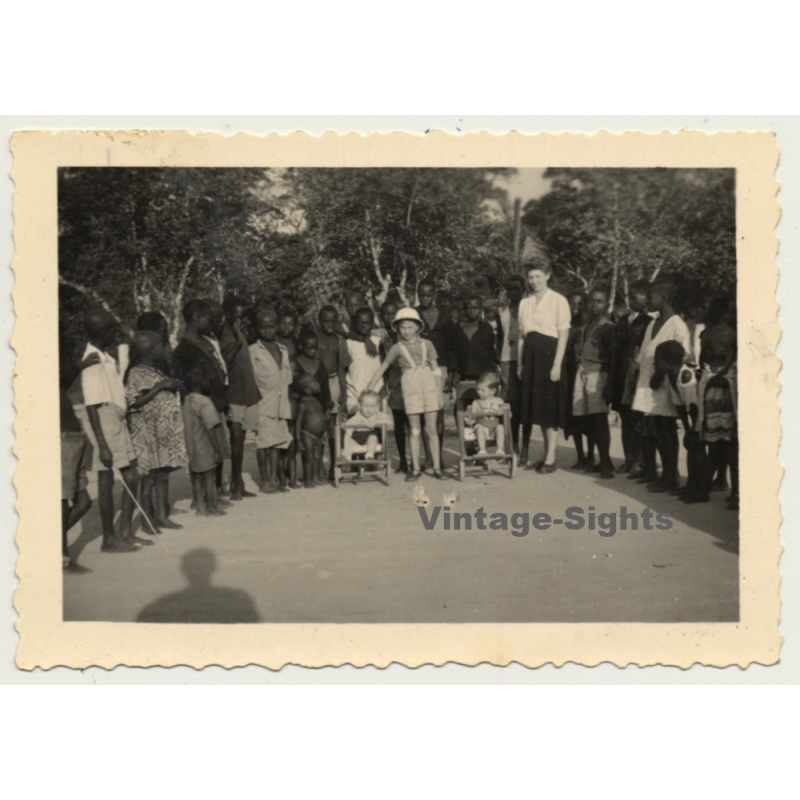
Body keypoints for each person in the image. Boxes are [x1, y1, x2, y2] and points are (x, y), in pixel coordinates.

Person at [80, 309, 149, 553]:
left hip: (115, 418)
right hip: (105, 421)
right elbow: (91, 406)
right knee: (109, 479)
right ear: (104, 332)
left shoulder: (104, 357)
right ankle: (109, 539)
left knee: (130, 477)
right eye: (112, 331)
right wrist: (102, 444)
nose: (115, 335)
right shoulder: (92, 361)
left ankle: (125, 533)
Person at [367, 307, 448, 481]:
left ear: (418, 327)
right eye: (402, 327)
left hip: (429, 389)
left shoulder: (428, 344)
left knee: (432, 429)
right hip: (411, 390)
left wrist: (439, 395)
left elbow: (436, 370)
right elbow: (382, 368)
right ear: (397, 328)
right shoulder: (396, 348)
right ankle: (416, 469)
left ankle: (437, 468)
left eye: (410, 327)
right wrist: (370, 387)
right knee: (414, 430)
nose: (406, 331)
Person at [631, 279, 692, 493]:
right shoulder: (651, 324)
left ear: (663, 298)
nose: (647, 300)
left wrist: (659, 374)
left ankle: (670, 475)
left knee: (666, 432)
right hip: (646, 386)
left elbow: (682, 356)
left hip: (664, 387)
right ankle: (651, 471)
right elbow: (643, 356)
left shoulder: (677, 326)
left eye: (651, 296)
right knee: (650, 430)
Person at [125, 331, 186, 532]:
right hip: (147, 434)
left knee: (163, 474)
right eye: (161, 345)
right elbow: (134, 402)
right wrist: (160, 387)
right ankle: (147, 520)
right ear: (151, 350)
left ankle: (161, 515)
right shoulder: (136, 373)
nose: (165, 349)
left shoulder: (156, 370)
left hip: (161, 433)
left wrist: (171, 386)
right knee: (148, 478)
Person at [517, 262, 571, 474]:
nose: (534, 281)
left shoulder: (559, 300)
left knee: (550, 406)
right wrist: (520, 363)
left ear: (547, 276)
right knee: (538, 407)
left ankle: (551, 457)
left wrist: (557, 365)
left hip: (550, 356)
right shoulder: (525, 303)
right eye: (531, 277)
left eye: (538, 276)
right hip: (531, 356)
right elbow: (522, 336)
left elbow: (563, 334)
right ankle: (546, 454)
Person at [571, 287, 617, 479]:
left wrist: (610, 384)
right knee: (587, 419)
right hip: (582, 373)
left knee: (599, 419)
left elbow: (614, 358)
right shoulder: (586, 326)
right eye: (592, 301)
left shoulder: (608, 328)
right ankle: (598, 459)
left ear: (607, 305)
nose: (594, 305)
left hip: (598, 374)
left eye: (599, 301)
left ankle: (605, 462)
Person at [220, 294, 262, 501]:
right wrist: (237, 338)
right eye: (236, 317)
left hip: (247, 393)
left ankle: (238, 483)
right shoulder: (225, 333)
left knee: (242, 439)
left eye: (242, 317)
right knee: (235, 438)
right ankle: (235, 485)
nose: (240, 320)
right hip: (235, 394)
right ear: (227, 315)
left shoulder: (239, 333)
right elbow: (224, 361)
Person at [649, 341, 703, 501]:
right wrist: (687, 431)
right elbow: (680, 406)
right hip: (694, 418)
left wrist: (694, 432)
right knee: (691, 448)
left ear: (668, 362)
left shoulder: (686, 375)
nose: (654, 364)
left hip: (701, 416)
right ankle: (691, 485)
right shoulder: (671, 376)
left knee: (697, 450)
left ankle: (697, 488)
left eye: (657, 361)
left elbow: (693, 408)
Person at [696, 307, 738, 509]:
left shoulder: (734, 370)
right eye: (705, 347)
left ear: (729, 348)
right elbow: (705, 383)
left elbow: (726, 383)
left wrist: (717, 380)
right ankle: (704, 489)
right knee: (713, 451)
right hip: (713, 419)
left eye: (712, 347)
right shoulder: (708, 370)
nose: (707, 352)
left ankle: (736, 494)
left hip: (730, 420)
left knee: (733, 453)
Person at [249, 308, 294, 493]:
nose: (267, 330)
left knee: (277, 442)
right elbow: (250, 380)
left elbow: (287, 380)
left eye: (271, 326)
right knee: (263, 443)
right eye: (263, 327)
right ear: (257, 328)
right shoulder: (253, 351)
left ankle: (274, 477)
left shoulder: (283, 350)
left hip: (281, 405)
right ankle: (265, 479)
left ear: (277, 327)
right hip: (263, 404)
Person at [59, 339, 94, 573]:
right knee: (61, 502)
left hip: (73, 438)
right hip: (62, 440)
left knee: (84, 502)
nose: (72, 363)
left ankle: (48, 545)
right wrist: (80, 365)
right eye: (67, 358)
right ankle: (62, 557)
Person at [416, 279, 456, 468]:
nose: (425, 298)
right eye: (421, 294)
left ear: (434, 294)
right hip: (419, 369)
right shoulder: (413, 315)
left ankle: (438, 455)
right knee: (423, 413)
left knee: (438, 413)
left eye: (428, 295)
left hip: (441, 369)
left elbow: (451, 346)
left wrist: (451, 374)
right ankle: (428, 457)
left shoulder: (444, 316)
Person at [182, 364, 227, 516]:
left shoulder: (186, 401)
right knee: (210, 478)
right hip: (205, 447)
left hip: (192, 448)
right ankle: (212, 507)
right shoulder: (204, 402)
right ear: (202, 382)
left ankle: (199, 506)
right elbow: (210, 428)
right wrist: (217, 449)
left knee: (196, 478)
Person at [315, 305, 352, 475]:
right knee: (319, 425)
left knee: (334, 427)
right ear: (319, 321)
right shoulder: (314, 339)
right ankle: (318, 467)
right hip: (318, 385)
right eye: (326, 321)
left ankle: (334, 466)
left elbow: (344, 366)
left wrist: (343, 390)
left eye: (333, 321)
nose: (329, 324)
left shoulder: (340, 341)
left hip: (335, 382)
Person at [564, 289, 595, 471]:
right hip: (569, 375)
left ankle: (591, 456)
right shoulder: (564, 326)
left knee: (589, 418)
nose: (576, 307)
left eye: (580, 303)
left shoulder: (590, 326)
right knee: (574, 417)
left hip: (585, 374)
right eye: (572, 303)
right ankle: (580, 456)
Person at [377, 301, 409, 473]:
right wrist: (384, 383)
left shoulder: (406, 333)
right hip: (395, 384)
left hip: (411, 382)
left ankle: (418, 460)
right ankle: (403, 461)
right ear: (381, 316)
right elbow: (382, 363)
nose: (390, 317)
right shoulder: (381, 338)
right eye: (386, 313)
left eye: (393, 313)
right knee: (398, 423)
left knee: (414, 423)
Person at [453, 294, 496, 419]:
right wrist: (453, 373)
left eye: (476, 308)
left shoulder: (486, 327)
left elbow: (491, 351)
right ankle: (464, 431)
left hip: (482, 374)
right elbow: (453, 352)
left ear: (481, 309)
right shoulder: (457, 328)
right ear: (465, 309)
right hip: (464, 374)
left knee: (484, 406)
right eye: (469, 307)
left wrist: (493, 372)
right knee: (462, 408)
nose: (473, 311)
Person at [496, 275, 525, 457]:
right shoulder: (502, 311)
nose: (513, 292)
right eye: (510, 289)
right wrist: (498, 360)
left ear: (524, 290)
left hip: (526, 360)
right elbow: (500, 337)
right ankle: (513, 445)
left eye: (517, 289)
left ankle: (525, 448)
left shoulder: (529, 309)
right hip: (507, 360)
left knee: (525, 404)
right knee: (510, 404)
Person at [344, 307, 383, 416]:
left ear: (372, 324)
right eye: (360, 322)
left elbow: (383, 366)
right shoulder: (348, 343)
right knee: (355, 419)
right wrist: (343, 391)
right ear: (355, 323)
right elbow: (343, 368)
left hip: (374, 389)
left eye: (367, 322)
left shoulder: (378, 342)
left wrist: (383, 388)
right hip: (354, 390)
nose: (364, 326)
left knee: (374, 420)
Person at [293, 372, 327, 488]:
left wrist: (324, 430)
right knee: (309, 458)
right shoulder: (303, 404)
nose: (318, 384)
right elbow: (298, 423)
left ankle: (316, 478)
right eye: (314, 383)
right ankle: (308, 480)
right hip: (306, 434)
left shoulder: (316, 400)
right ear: (307, 390)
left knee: (317, 457)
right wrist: (298, 440)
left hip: (318, 435)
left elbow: (320, 417)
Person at [342, 389, 393, 460]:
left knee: (373, 437)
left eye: (372, 406)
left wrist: (376, 423)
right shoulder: (355, 418)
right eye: (366, 406)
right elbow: (347, 430)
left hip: (370, 442)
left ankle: (369, 455)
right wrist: (347, 428)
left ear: (377, 406)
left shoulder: (378, 415)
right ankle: (347, 455)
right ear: (359, 405)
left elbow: (390, 423)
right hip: (356, 441)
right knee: (349, 439)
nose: (369, 409)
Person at [464, 372, 506, 457]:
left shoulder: (499, 401)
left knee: (500, 427)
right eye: (478, 389)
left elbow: (509, 415)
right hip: (482, 431)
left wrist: (503, 411)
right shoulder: (476, 403)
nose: (479, 392)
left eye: (482, 390)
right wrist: (469, 420)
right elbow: (473, 419)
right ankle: (482, 450)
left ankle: (500, 450)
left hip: (494, 430)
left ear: (492, 391)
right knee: (479, 427)